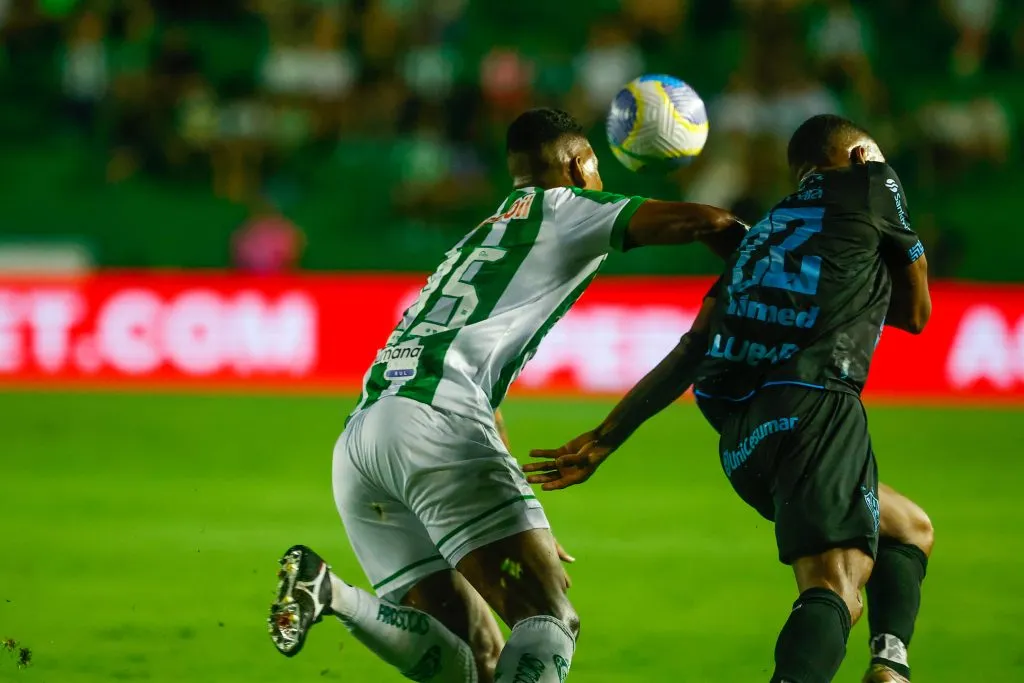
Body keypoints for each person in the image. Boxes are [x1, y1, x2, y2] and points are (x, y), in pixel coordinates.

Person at [267, 108, 746, 683]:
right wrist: (756, 267)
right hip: (436, 427)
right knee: (548, 618)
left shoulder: (483, 233)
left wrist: (513, 508)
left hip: (363, 440)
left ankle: (333, 594)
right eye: (594, 168)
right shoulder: (569, 207)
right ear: (578, 165)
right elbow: (712, 220)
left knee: (478, 660)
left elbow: (486, 395)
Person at [525, 114, 932, 683]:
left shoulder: (762, 237)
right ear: (861, 157)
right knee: (836, 587)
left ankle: (889, 666)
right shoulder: (870, 181)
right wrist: (887, 266)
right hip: (814, 405)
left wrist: (604, 438)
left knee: (909, 528)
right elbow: (916, 316)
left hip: (743, 442)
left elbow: (694, 348)